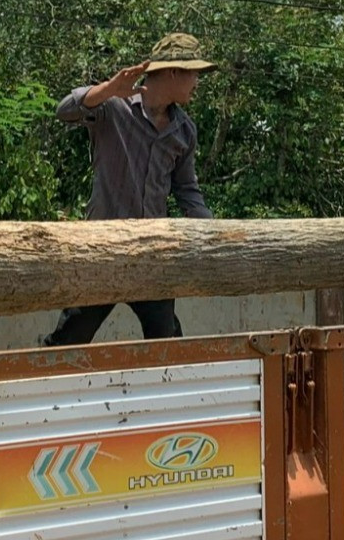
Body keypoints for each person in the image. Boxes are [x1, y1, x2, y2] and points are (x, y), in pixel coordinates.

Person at [44, 32, 216, 345]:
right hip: (103, 251)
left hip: (152, 255)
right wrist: (108, 89)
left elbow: (187, 190)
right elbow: (65, 110)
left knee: (166, 345)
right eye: (193, 73)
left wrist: (214, 233)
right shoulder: (113, 107)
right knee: (68, 342)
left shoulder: (184, 130)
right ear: (173, 71)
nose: (197, 81)